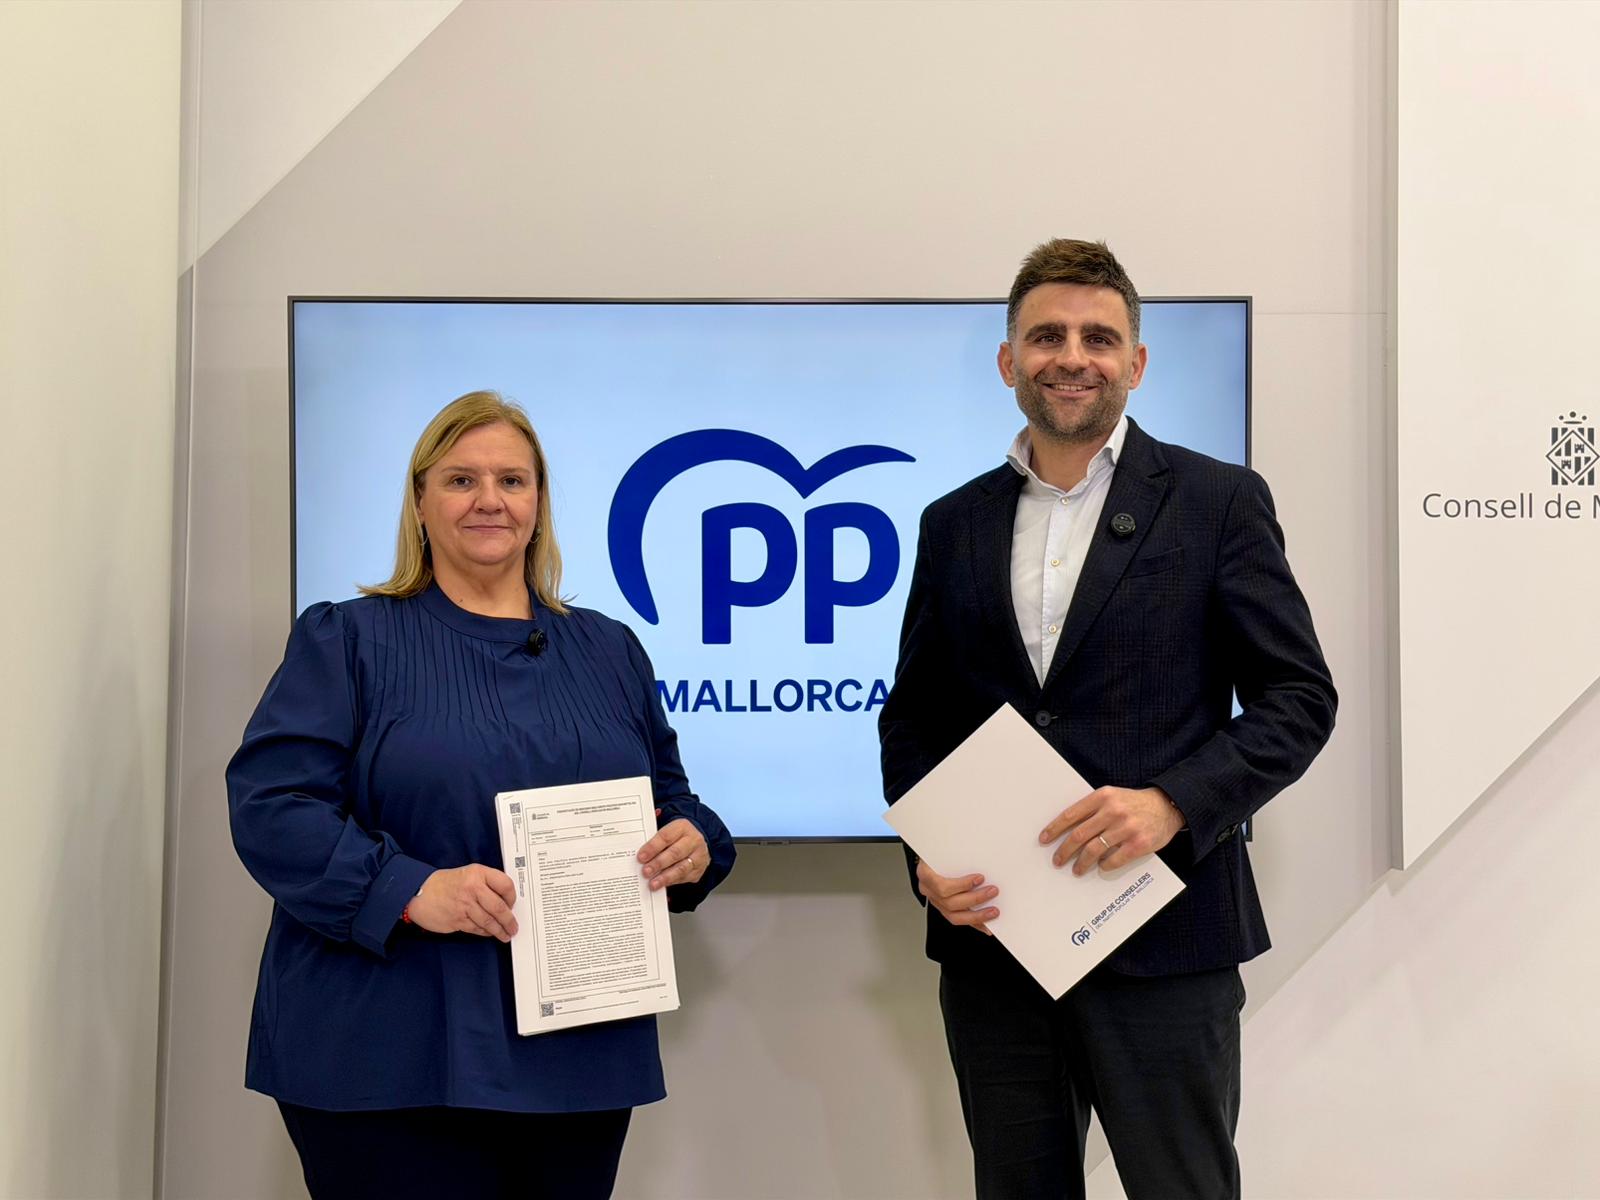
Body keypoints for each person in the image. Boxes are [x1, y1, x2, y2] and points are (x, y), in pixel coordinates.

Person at [879, 240, 1336, 1200]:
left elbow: (1299, 699)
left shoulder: (1217, 502)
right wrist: (927, 856)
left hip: (1166, 938)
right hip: (998, 944)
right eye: (1047, 336)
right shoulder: (952, 523)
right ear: (1008, 360)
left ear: (1136, 362)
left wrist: (1173, 802)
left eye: (1099, 337)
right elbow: (915, 720)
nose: (1071, 357)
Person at [227, 390, 735, 1200]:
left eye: (512, 480)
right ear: (420, 503)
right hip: (386, 1051)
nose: (489, 500)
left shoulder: (609, 650)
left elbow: (671, 799)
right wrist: (410, 889)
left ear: (538, 504)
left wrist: (693, 840)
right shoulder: (349, 638)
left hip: (576, 1057)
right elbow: (272, 807)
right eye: (461, 480)